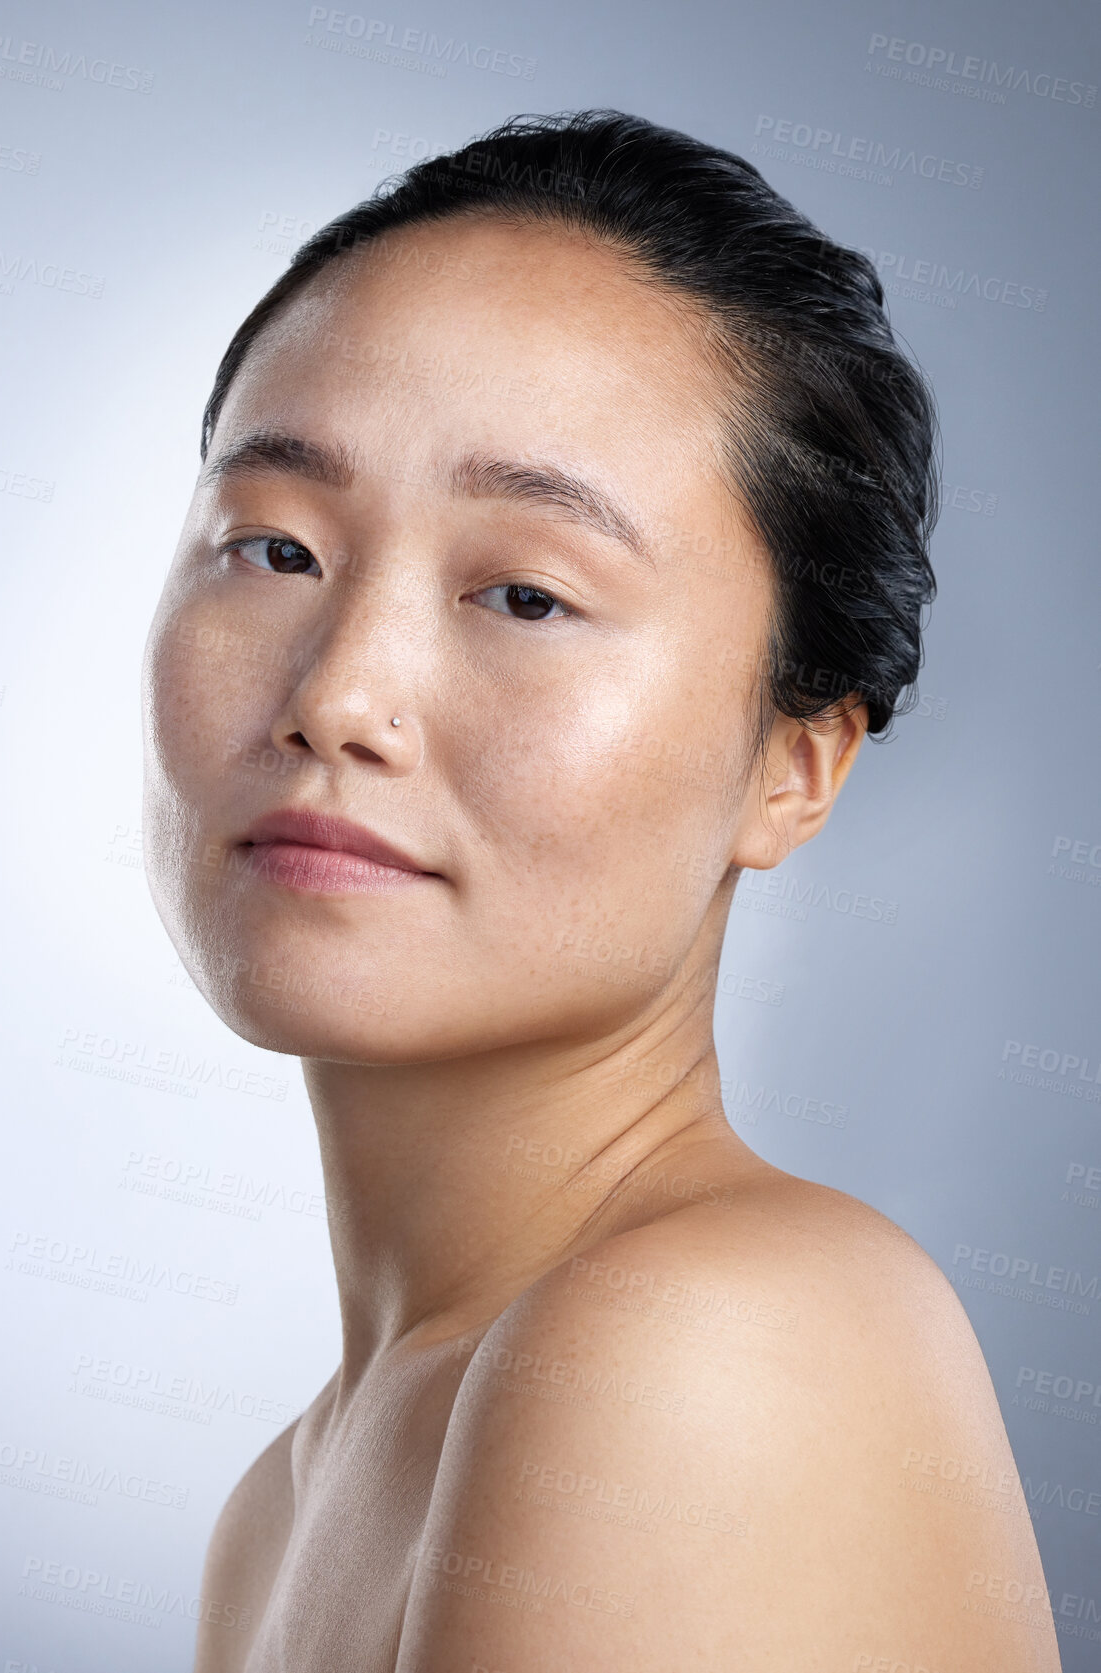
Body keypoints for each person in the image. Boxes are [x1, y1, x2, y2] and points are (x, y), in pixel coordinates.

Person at [141, 109, 1060, 1672]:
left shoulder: (713, 1341)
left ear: (796, 765)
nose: (343, 697)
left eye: (526, 592)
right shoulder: (274, 1511)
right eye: (277, 548)